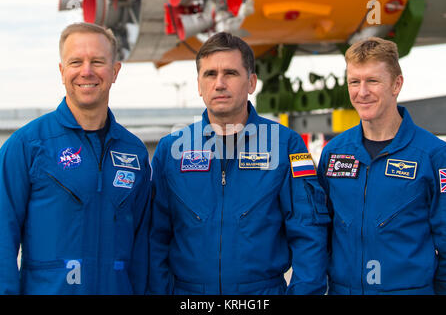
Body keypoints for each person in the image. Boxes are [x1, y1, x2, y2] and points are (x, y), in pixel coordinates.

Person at [149, 32, 330, 295]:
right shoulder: (170, 151)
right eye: (210, 74)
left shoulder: (288, 145)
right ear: (199, 85)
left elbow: (309, 232)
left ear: (252, 82)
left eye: (230, 73)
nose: (219, 84)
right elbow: (155, 239)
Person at [0, 22, 152, 294]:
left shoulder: (134, 153)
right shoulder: (27, 146)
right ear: (61, 71)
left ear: (115, 71)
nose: (86, 71)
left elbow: (142, 248)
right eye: (75, 62)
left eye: (97, 61)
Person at [317, 37, 446, 294]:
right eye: (354, 82)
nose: (362, 92)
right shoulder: (334, 153)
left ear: (396, 84)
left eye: (373, 81)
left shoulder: (434, 155)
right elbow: (321, 230)